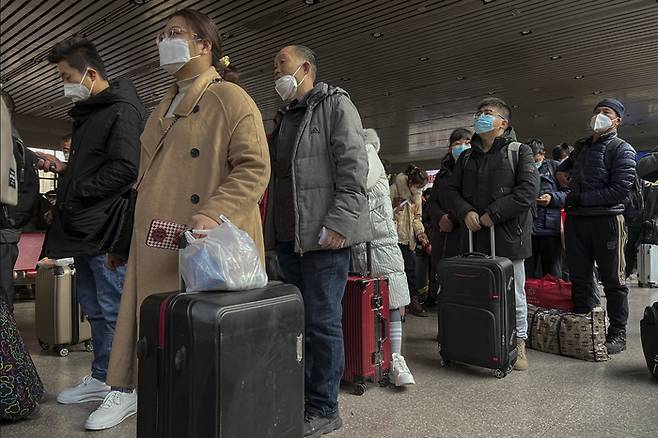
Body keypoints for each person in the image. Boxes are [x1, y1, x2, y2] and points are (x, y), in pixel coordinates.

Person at [86, 9, 271, 430]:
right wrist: (121, 244)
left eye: (175, 33)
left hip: (201, 245)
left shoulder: (230, 98)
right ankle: (142, 400)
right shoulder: (160, 106)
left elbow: (255, 167)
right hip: (154, 239)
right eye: (162, 34)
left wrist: (209, 213)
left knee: (199, 351)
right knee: (157, 342)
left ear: (204, 45)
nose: (164, 41)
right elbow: (145, 183)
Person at [35, 37, 146, 426]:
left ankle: (124, 389)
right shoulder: (91, 112)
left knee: (113, 309)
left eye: (67, 76)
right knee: (95, 309)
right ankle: (103, 376)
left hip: (104, 228)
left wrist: (77, 191)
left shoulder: (122, 110)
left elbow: (126, 169)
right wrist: (67, 174)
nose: (64, 82)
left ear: (91, 73)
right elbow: (96, 167)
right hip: (84, 228)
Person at [265, 44, 369, 437]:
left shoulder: (335, 105)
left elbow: (353, 167)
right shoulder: (284, 116)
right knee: (297, 323)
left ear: (305, 67)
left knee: (322, 322)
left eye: (282, 64)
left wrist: (340, 221)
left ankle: (325, 406)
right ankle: (305, 396)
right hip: (290, 238)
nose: (276, 71)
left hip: (325, 238)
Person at [446, 97, 539, 371]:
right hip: (474, 236)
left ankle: (517, 343)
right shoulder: (466, 157)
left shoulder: (519, 151)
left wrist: (492, 214)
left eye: (488, 113)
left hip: (509, 236)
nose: (481, 117)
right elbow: (450, 191)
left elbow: (527, 192)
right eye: (479, 113)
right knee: (474, 290)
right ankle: (477, 340)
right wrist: (465, 212)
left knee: (514, 293)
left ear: (503, 123)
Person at [557, 98, 636, 354]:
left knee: (613, 279)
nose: (599, 116)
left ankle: (617, 332)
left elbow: (620, 190)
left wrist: (581, 198)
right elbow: (565, 169)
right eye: (597, 112)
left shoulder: (622, 149)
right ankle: (585, 324)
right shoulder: (582, 147)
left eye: (606, 112)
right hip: (577, 220)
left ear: (617, 121)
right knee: (579, 276)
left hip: (607, 220)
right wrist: (562, 173)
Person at [350, 128, 415, 387]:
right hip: (360, 244)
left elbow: (355, 185)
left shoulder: (366, 156)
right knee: (376, 302)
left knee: (391, 301)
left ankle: (395, 358)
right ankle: (379, 359)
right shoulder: (361, 154)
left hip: (378, 243)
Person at [0, 90, 40, 312]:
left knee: (2, 299)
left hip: (3, 234)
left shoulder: (11, 147)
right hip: (6, 231)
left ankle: (6, 347)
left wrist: (11, 223)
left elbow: (26, 194)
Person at [426, 128, 471, 308]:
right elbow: (431, 203)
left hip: (464, 231)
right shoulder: (442, 174)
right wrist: (441, 218)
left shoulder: (474, 170)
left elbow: (472, 199)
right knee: (441, 275)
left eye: (467, 142)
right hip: (442, 234)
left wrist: (451, 218)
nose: (461, 146)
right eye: (457, 143)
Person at [524, 138, 567, 278]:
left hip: (550, 230)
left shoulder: (555, 167)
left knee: (552, 274)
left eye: (535, 158)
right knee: (528, 274)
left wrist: (552, 198)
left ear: (543, 153)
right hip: (527, 229)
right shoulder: (522, 168)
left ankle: (552, 299)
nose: (533, 162)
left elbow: (569, 193)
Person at [391, 165, 430, 317]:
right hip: (395, 239)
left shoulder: (417, 197)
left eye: (422, 188)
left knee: (410, 271)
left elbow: (416, 218)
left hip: (409, 240)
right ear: (410, 182)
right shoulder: (394, 190)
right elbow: (388, 214)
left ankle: (412, 301)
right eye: (418, 187)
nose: (419, 190)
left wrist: (420, 233)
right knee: (398, 272)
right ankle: (400, 304)